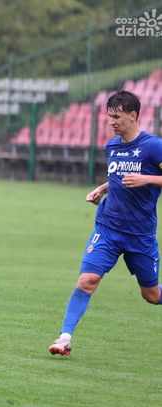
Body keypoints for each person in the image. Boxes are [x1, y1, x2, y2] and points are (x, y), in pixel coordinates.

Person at [49, 90, 162, 356]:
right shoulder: (112, 146)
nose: (111, 122)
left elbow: (140, 177)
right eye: (109, 116)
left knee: (152, 295)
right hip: (108, 228)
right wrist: (102, 189)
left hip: (140, 234)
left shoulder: (153, 146)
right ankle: (64, 338)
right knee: (86, 281)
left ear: (133, 115)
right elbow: (119, 177)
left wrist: (147, 179)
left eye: (116, 117)